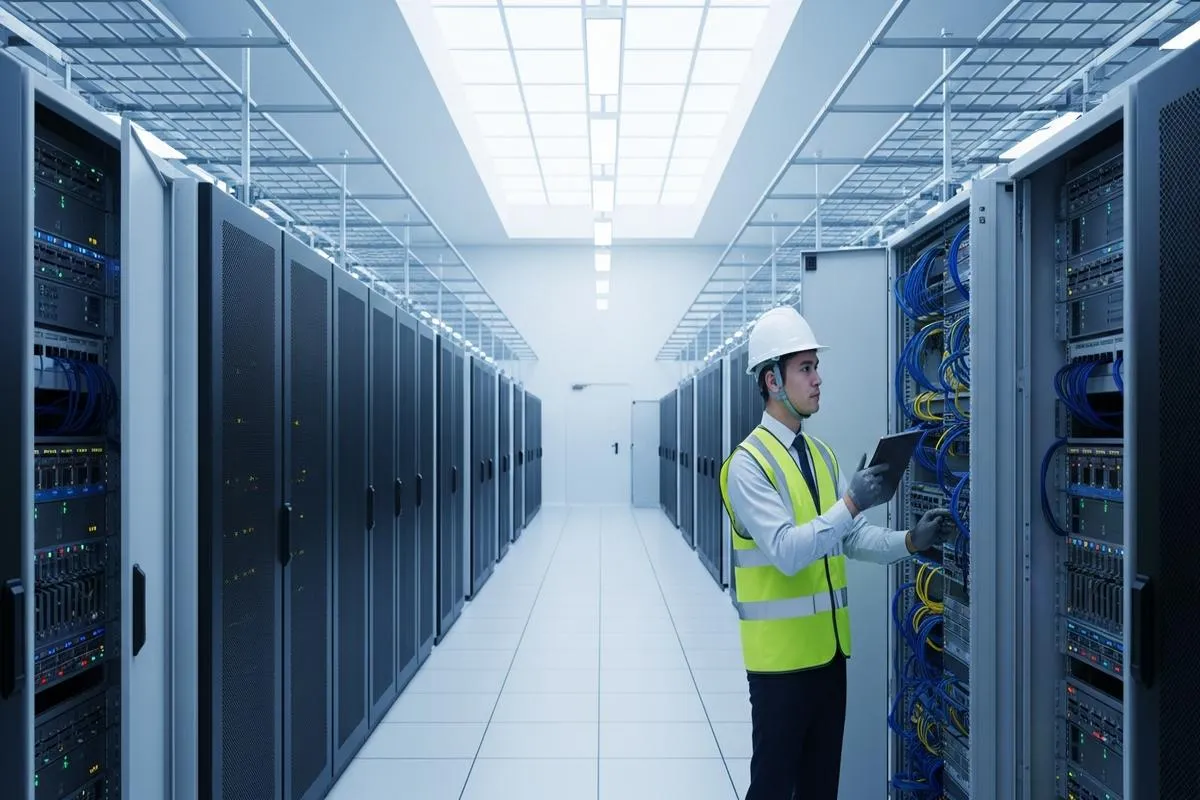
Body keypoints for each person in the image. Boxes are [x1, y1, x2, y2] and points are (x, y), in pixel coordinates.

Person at [718, 306, 956, 800]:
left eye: (816, 367)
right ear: (772, 381)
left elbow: (849, 538)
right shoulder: (747, 466)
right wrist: (851, 503)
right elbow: (786, 550)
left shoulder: (821, 455)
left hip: (830, 660)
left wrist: (909, 542)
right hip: (780, 666)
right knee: (771, 788)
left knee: (820, 788)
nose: (818, 379)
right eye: (805, 368)